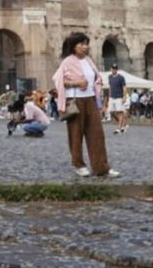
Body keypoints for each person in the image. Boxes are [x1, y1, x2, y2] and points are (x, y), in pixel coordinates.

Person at [53, 32, 118, 177]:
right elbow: (58, 81)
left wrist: (98, 83)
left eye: (86, 44)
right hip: (75, 100)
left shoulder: (89, 60)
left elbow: (95, 77)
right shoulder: (67, 62)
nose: (85, 47)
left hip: (90, 99)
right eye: (81, 44)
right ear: (74, 47)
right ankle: (78, 164)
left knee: (97, 134)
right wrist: (76, 83)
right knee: (76, 134)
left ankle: (101, 167)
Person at [107, 65, 128, 135]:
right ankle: (122, 124)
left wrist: (124, 96)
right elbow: (110, 86)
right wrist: (109, 96)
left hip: (119, 96)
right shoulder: (109, 77)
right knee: (111, 112)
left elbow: (124, 87)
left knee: (120, 112)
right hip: (112, 97)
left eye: (115, 69)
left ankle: (119, 128)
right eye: (113, 68)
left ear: (117, 70)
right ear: (111, 69)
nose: (114, 70)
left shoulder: (121, 77)